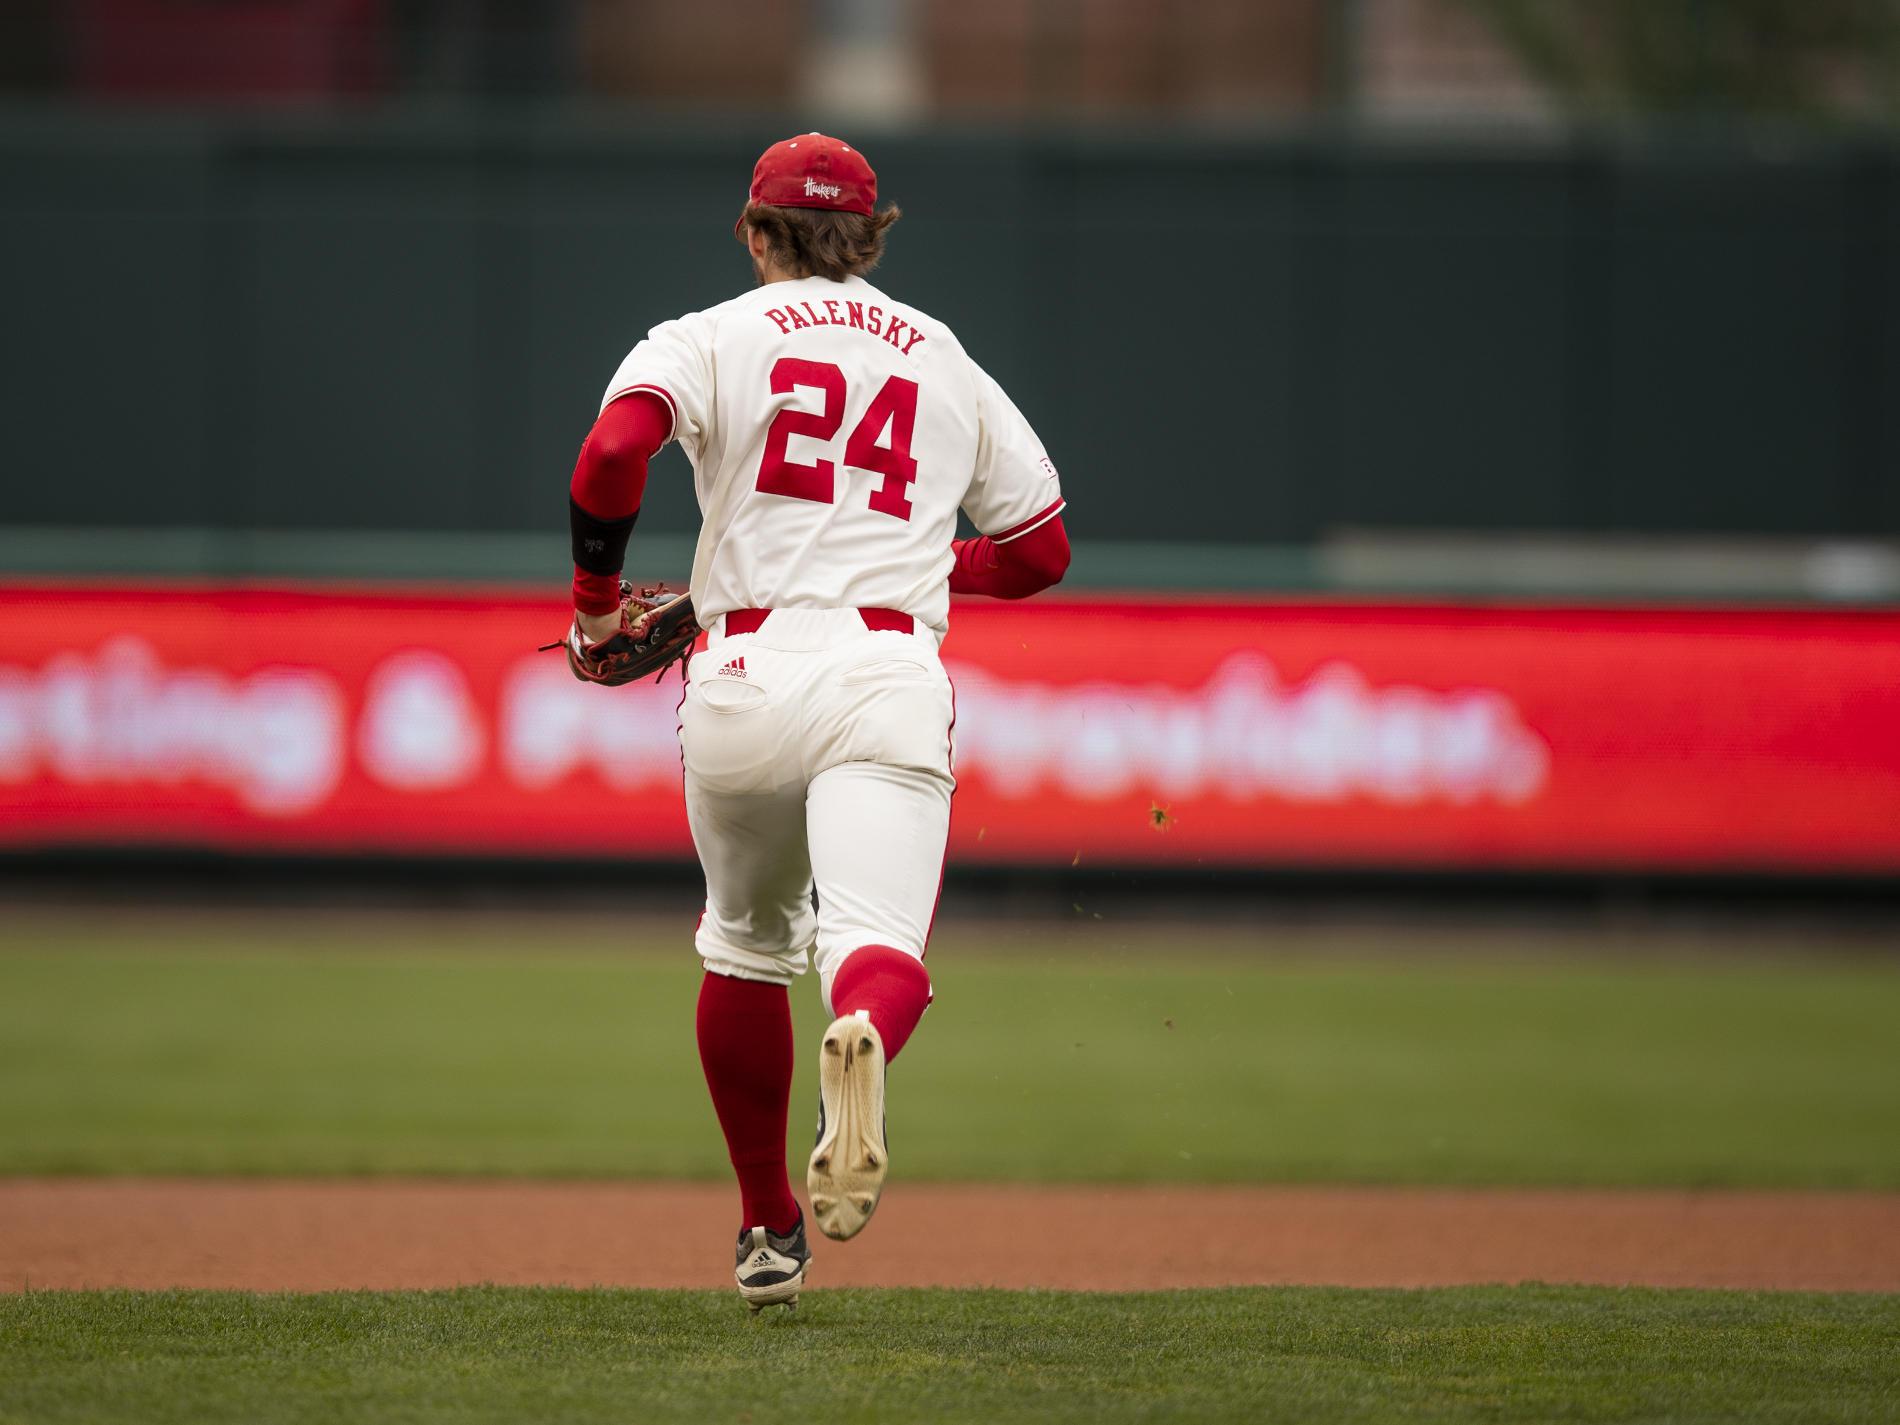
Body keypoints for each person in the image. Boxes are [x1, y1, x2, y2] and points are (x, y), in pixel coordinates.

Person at [561, 133, 1071, 1311]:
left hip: (740, 670)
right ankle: (865, 1040)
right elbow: (1040, 549)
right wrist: (937, 565)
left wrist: (593, 605)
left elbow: (611, 452)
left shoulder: (707, 336)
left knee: (742, 940)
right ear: (872, 235)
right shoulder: (942, 357)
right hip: (886, 666)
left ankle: (762, 1225)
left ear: (755, 232)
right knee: (874, 950)